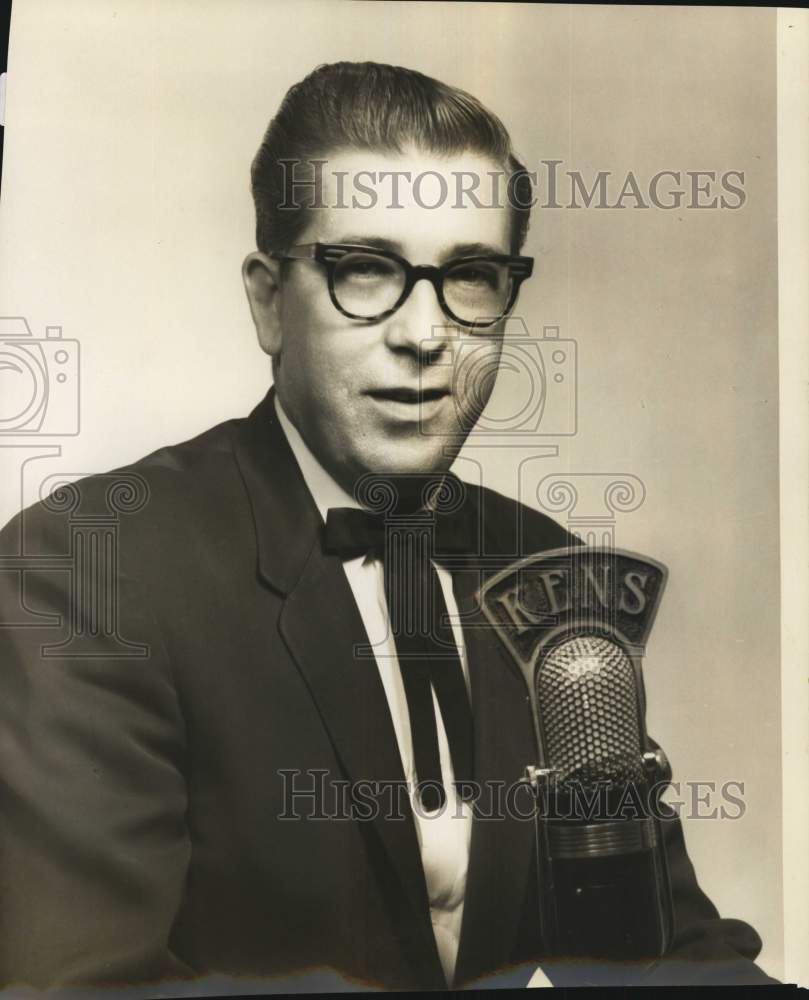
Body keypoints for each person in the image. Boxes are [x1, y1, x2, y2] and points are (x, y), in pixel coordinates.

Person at [0, 62, 776, 992]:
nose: (422, 334)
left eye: (472, 277)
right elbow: (75, 988)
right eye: (364, 270)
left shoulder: (550, 572)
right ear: (266, 299)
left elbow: (658, 954)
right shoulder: (89, 568)